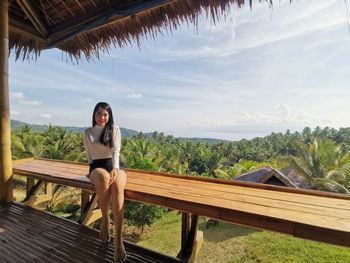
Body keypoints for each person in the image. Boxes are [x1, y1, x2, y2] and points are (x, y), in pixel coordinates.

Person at [84, 102, 127, 263]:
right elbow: (89, 156)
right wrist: (92, 172)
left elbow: (116, 151)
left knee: (117, 186)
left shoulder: (114, 129)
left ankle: (118, 239)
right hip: (97, 166)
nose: (102, 117)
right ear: (94, 114)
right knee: (103, 178)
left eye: (105, 114)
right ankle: (105, 220)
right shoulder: (88, 132)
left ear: (109, 116)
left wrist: (116, 168)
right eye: (99, 114)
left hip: (115, 164)